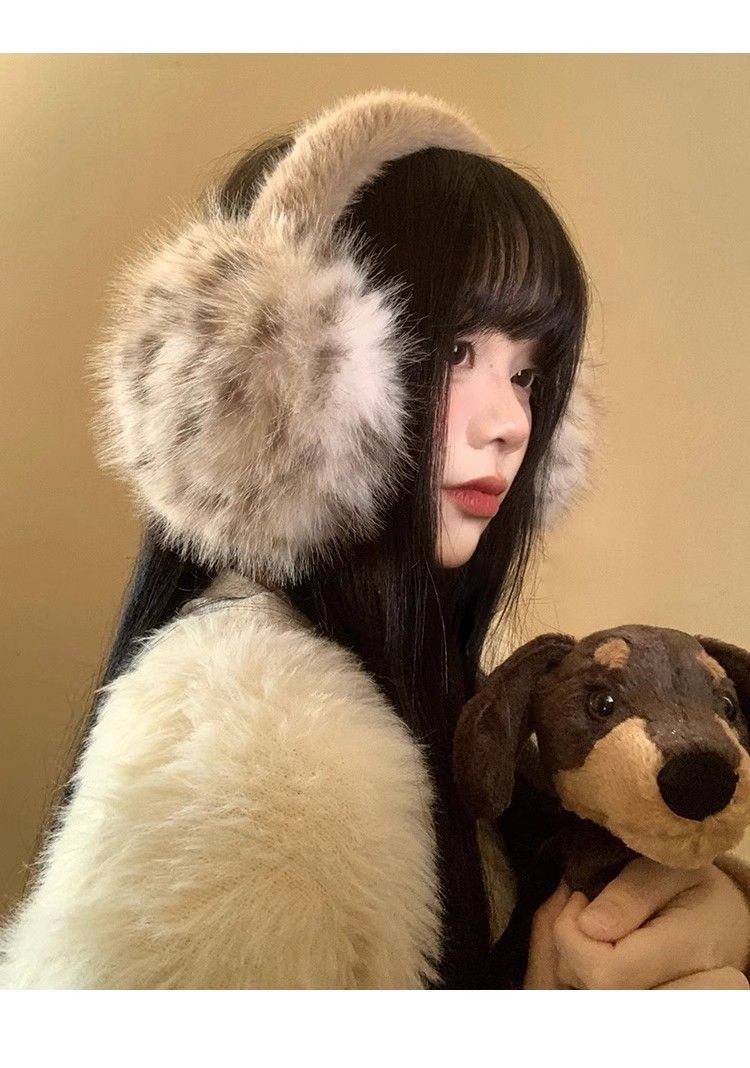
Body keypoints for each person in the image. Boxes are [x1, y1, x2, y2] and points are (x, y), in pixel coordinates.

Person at [1, 88, 749, 989]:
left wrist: (714, 912)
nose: (512, 422)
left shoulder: (409, 688)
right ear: (275, 388)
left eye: (528, 372)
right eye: (456, 351)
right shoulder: (256, 756)